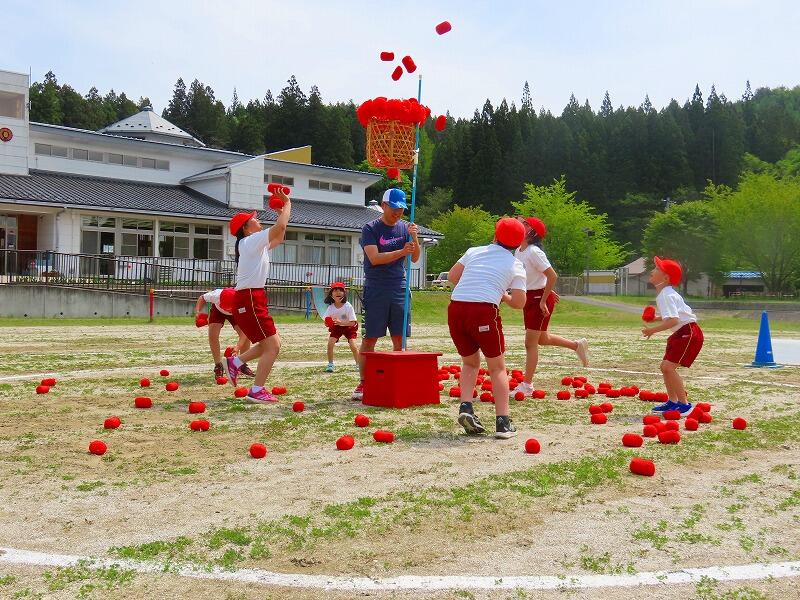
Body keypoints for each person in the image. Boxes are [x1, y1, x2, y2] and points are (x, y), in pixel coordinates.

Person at [447, 217, 527, 439]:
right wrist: (503, 294)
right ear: (519, 244)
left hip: (456, 309)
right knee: (497, 368)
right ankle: (503, 422)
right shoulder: (516, 264)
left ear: (495, 235)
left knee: (470, 362)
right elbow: (519, 302)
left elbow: (453, 277)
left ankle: (466, 407)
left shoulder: (474, 251)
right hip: (483, 311)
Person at [351, 188, 419, 400]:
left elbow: (415, 258)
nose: (398, 212)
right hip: (376, 287)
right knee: (370, 337)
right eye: (394, 208)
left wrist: (414, 237)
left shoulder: (405, 228)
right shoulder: (370, 228)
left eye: (401, 209)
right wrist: (401, 251)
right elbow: (375, 258)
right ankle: (364, 383)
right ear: (384, 206)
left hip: (399, 287)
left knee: (399, 337)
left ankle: (398, 379)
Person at [510, 216, 589, 398]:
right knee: (542, 339)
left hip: (538, 298)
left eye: (525, 223)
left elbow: (552, 276)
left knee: (530, 343)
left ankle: (527, 385)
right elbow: (532, 277)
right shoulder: (519, 251)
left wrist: (544, 299)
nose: (521, 224)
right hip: (530, 297)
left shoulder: (534, 252)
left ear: (532, 232)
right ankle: (577, 345)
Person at [225, 188, 291, 403]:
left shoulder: (253, 243)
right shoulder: (249, 241)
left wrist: (281, 212)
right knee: (273, 346)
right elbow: (280, 227)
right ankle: (257, 390)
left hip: (253, 297)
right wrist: (287, 204)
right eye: (253, 219)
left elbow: (279, 236)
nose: (257, 219)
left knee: (270, 344)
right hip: (250, 298)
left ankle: (235, 363)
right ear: (245, 228)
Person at [642, 256, 703, 414]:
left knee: (668, 367)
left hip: (688, 332)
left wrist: (652, 330)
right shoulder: (666, 293)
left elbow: (674, 320)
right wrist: (656, 318)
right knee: (665, 367)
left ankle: (684, 405)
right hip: (682, 332)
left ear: (666, 278)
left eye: (657, 269)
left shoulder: (666, 295)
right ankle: (673, 401)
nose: (652, 270)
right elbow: (672, 316)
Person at [194, 287, 253, 380]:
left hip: (237, 313)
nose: (228, 311)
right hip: (217, 311)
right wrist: (198, 312)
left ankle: (241, 364)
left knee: (246, 336)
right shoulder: (216, 295)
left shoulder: (243, 302)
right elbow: (202, 298)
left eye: (229, 310)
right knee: (213, 335)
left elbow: (245, 332)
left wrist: (238, 347)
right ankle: (218, 366)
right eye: (226, 309)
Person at [322, 281, 359, 372]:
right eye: (335, 290)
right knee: (330, 344)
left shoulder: (348, 306)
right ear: (331, 294)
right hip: (337, 327)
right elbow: (326, 321)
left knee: (353, 346)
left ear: (344, 293)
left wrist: (341, 322)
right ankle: (330, 364)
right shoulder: (330, 307)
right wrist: (328, 323)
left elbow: (353, 323)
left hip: (349, 327)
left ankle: (358, 364)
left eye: (340, 290)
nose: (338, 292)